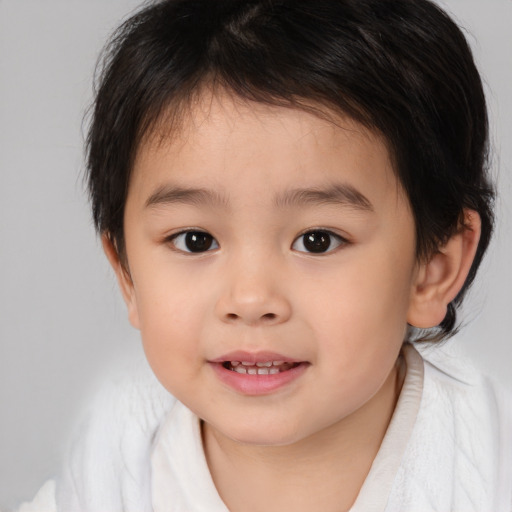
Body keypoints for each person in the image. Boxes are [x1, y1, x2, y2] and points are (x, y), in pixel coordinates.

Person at [14, 0, 512, 510]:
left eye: (318, 239)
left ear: (433, 269)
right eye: (195, 240)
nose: (251, 300)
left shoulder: (492, 468)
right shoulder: (105, 477)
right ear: (127, 275)